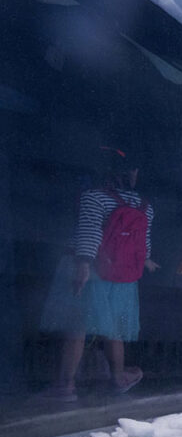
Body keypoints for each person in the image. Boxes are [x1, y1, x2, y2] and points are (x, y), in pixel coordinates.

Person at [38, 146, 159, 401]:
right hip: (123, 276)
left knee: (78, 326)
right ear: (130, 173)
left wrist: (83, 264)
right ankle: (118, 377)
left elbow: (90, 232)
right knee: (113, 328)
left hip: (92, 270)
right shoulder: (145, 205)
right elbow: (143, 241)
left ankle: (66, 386)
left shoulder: (94, 197)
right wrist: (146, 262)